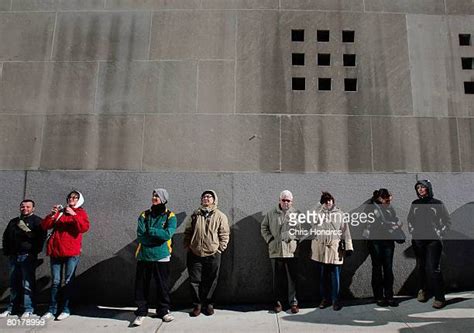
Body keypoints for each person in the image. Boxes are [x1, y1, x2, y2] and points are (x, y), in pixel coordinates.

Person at [40, 190, 90, 321]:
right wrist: (52, 215)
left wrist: (74, 215)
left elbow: (84, 228)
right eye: (70, 197)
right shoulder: (60, 212)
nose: (71, 199)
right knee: (56, 282)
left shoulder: (80, 212)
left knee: (68, 281)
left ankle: (66, 309)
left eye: (75, 197)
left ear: (79, 200)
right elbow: (45, 226)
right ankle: (52, 309)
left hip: (71, 252)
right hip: (56, 251)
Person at [132, 189, 177, 326]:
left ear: (163, 199)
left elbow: (167, 234)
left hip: (162, 256)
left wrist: (152, 231)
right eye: (153, 195)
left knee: (162, 286)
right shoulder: (144, 215)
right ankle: (141, 312)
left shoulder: (170, 216)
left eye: (157, 196)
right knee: (141, 285)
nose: (154, 197)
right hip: (144, 256)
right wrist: (157, 238)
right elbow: (140, 235)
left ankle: (163, 310)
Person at [183, 190, 230, 317]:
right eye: (204, 196)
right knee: (194, 280)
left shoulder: (220, 216)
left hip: (213, 253)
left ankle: (209, 304)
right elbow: (188, 231)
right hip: (195, 253)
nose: (206, 198)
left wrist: (220, 249)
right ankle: (197, 305)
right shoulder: (195, 214)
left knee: (211, 280)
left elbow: (224, 234)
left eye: (209, 196)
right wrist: (188, 246)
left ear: (214, 200)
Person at [407, 180, 451, 309]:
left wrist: (440, 232)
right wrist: (413, 231)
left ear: (428, 188)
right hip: (418, 240)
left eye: (423, 187)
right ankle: (423, 291)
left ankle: (440, 297)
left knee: (434, 268)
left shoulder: (437, 203)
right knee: (420, 266)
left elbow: (447, 221)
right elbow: (410, 219)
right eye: (418, 187)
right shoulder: (414, 204)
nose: (420, 189)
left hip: (433, 241)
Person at [1, 199, 46, 318]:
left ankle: (29, 308)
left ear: (33, 208)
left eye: (28, 207)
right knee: (14, 283)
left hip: (27, 256)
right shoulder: (13, 222)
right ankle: (12, 308)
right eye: (23, 206)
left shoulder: (37, 221)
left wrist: (33, 251)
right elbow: (6, 236)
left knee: (27, 284)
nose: (25, 208)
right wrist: (7, 250)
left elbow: (41, 238)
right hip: (13, 256)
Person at [311, 192, 353, 311]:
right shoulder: (318, 213)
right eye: (325, 200)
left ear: (333, 201)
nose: (328, 202)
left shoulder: (340, 214)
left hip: (335, 248)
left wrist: (349, 246)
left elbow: (346, 231)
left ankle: (336, 300)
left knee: (335, 276)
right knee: (323, 277)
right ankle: (325, 299)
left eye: (330, 200)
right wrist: (318, 204)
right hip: (321, 249)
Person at [260, 190, 300, 313]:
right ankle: (278, 302)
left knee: (291, 279)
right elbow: (264, 227)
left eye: (288, 200)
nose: (286, 202)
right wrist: (270, 239)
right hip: (276, 250)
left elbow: (299, 230)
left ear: (291, 201)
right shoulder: (271, 213)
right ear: (279, 200)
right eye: (283, 200)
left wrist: (292, 237)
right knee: (277, 279)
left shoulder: (296, 214)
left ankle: (293, 302)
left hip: (290, 251)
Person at [364, 189, 403, 307]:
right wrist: (389, 225)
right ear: (381, 198)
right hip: (375, 241)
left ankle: (389, 296)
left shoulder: (389, 208)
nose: (389, 202)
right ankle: (379, 297)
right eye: (387, 199)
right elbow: (371, 224)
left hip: (388, 241)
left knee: (388, 269)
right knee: (377, 268)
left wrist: (398, 223)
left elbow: (395, 219)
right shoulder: (370, 208)